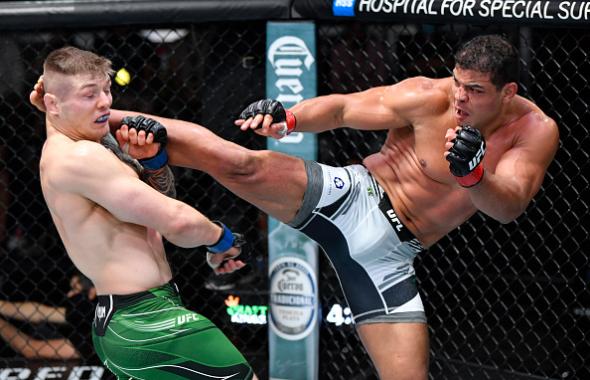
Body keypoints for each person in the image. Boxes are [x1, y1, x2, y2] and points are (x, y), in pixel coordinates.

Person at [31, 34, 559, 379]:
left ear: (508, 92)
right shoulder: (431, 95)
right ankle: (92, 114)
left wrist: (473, 175)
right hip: (354, 198)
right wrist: (290, 118)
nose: (460, 98)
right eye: (457, 83)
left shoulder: (532, 132)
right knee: (239, 162)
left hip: (392, 255)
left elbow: (508, 206)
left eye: (475, 91)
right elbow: (349, 108)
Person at [35, 46, 256, 380]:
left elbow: (154, 210)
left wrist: (154, 167)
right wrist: (221, 239)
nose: (105, 103)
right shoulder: (79, 157)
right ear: (53, 104)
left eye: (107, 90)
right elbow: (176, 222)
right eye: (89, 94)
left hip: (132, 318)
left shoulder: (79, 148)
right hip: (145, 320)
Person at [0, 272, 96, 360]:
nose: (69, 294)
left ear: (92, 292)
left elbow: (32, 349)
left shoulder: (100, 326)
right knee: (41, 329)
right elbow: (41, 312)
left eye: (75, 289)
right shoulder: (87, 311)